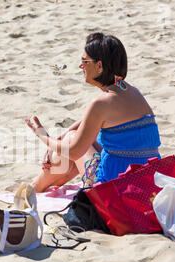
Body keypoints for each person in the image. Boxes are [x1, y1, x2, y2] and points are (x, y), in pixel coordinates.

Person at [25, 32, 161, 193]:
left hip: (116, 189)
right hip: (148, 180)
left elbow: (75, 151)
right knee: (77, 137)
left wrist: (44, 137)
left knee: (72, 141)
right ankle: (38, 187)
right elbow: (87, 122)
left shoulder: (101, 103)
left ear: (99, 66)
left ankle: (35, 188)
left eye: (84, 61)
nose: (80, 66)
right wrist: (60, 137)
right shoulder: (130, 91)